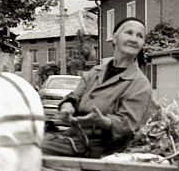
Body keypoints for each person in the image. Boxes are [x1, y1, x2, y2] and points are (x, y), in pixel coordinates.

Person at [41, 17, 155, 158]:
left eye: (140, 36)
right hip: (75, 137)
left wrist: (102, 121)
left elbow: (127, 125)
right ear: (114, 38)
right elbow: (75, 96)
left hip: (103, 147)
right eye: (129, 33)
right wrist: (67, 107)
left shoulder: (139, 83)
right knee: (26, 143)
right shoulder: (95, 72)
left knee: (33, 152)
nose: (134, 39)